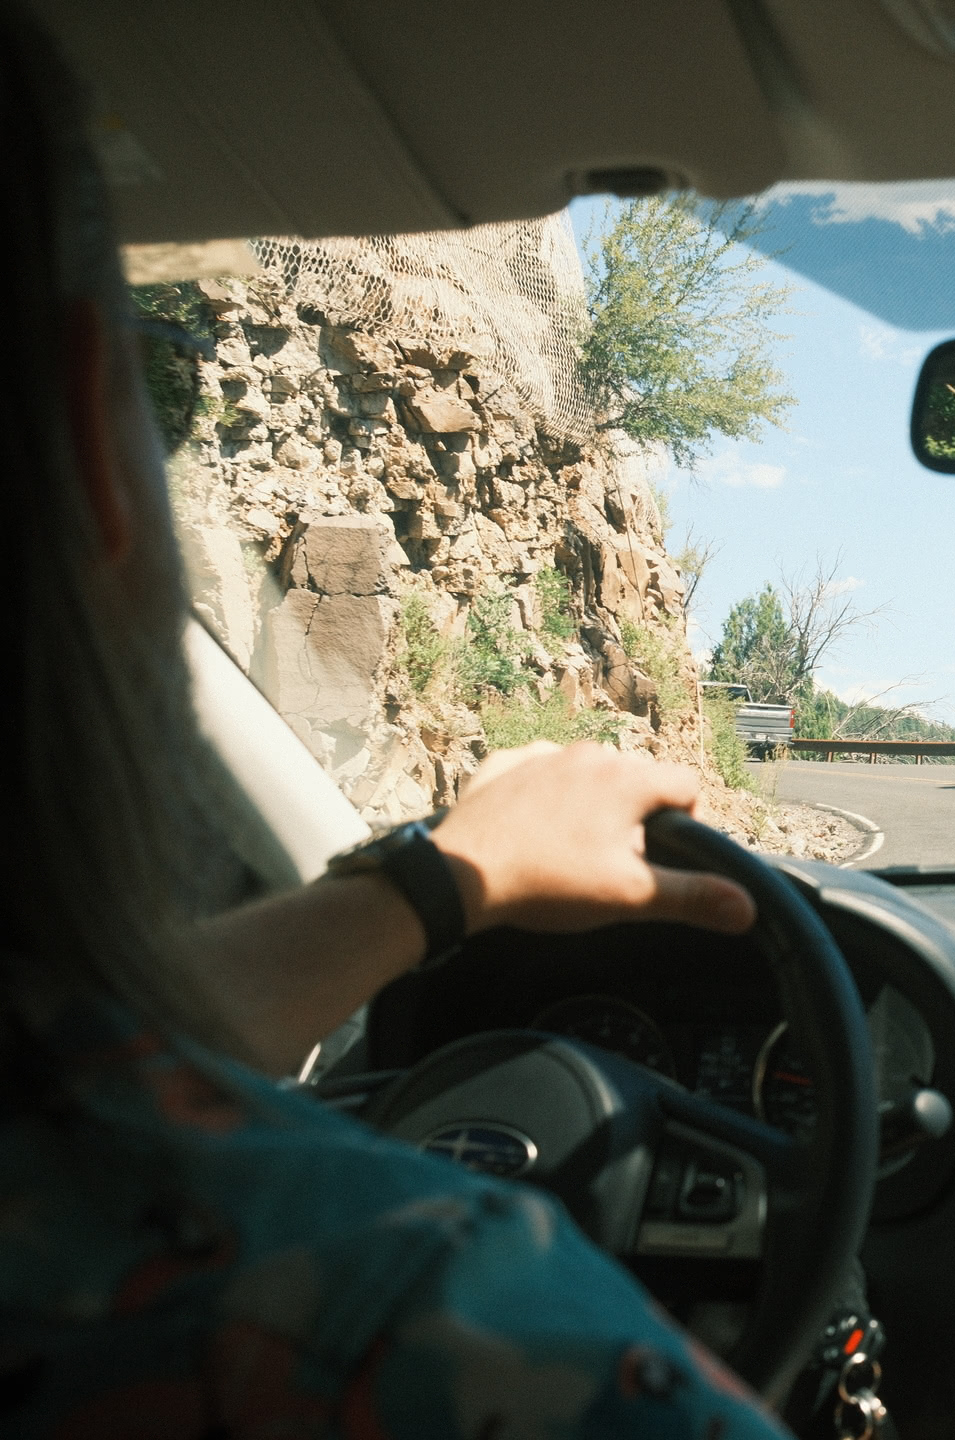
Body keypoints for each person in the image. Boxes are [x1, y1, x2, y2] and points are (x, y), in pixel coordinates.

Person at [0, 11, 789, 1435]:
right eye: (155, 406)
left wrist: (437, 882)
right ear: (85, 455)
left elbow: (78, 1072)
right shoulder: (415, 1319)